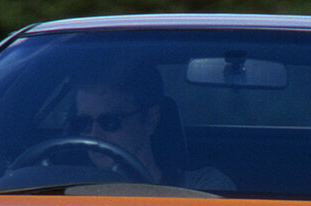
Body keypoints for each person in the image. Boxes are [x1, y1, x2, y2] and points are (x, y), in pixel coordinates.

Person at [68, 61, 234, 192]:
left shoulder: (203, 186)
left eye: (110, 122)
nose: (94, 135)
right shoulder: (61, 186)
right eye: (84, 123)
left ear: (150, 120)